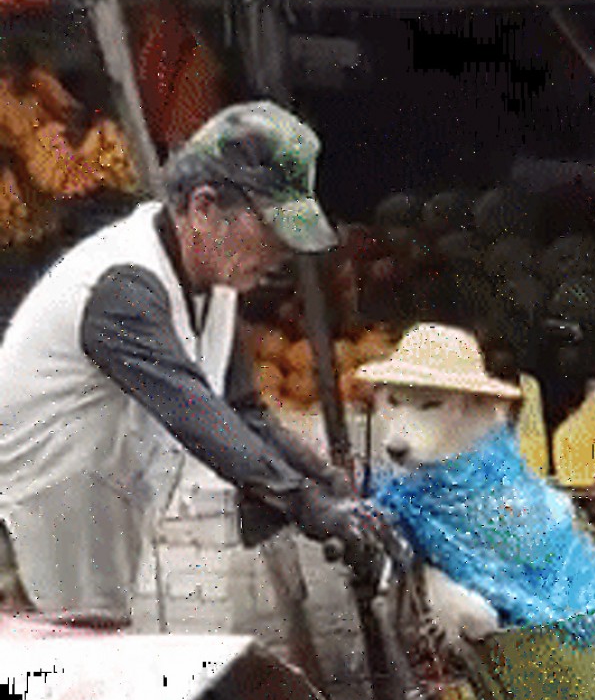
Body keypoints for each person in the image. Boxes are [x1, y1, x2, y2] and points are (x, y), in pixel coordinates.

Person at [0, 101, 383, 626]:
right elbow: (196, 414)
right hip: (19, 542)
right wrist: (306, 506)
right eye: (271, 231)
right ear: (203, 207)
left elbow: (245, 413)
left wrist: (330, 487)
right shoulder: (124, 288)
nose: (281, 254)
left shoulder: (215, 285)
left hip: (84, 544)